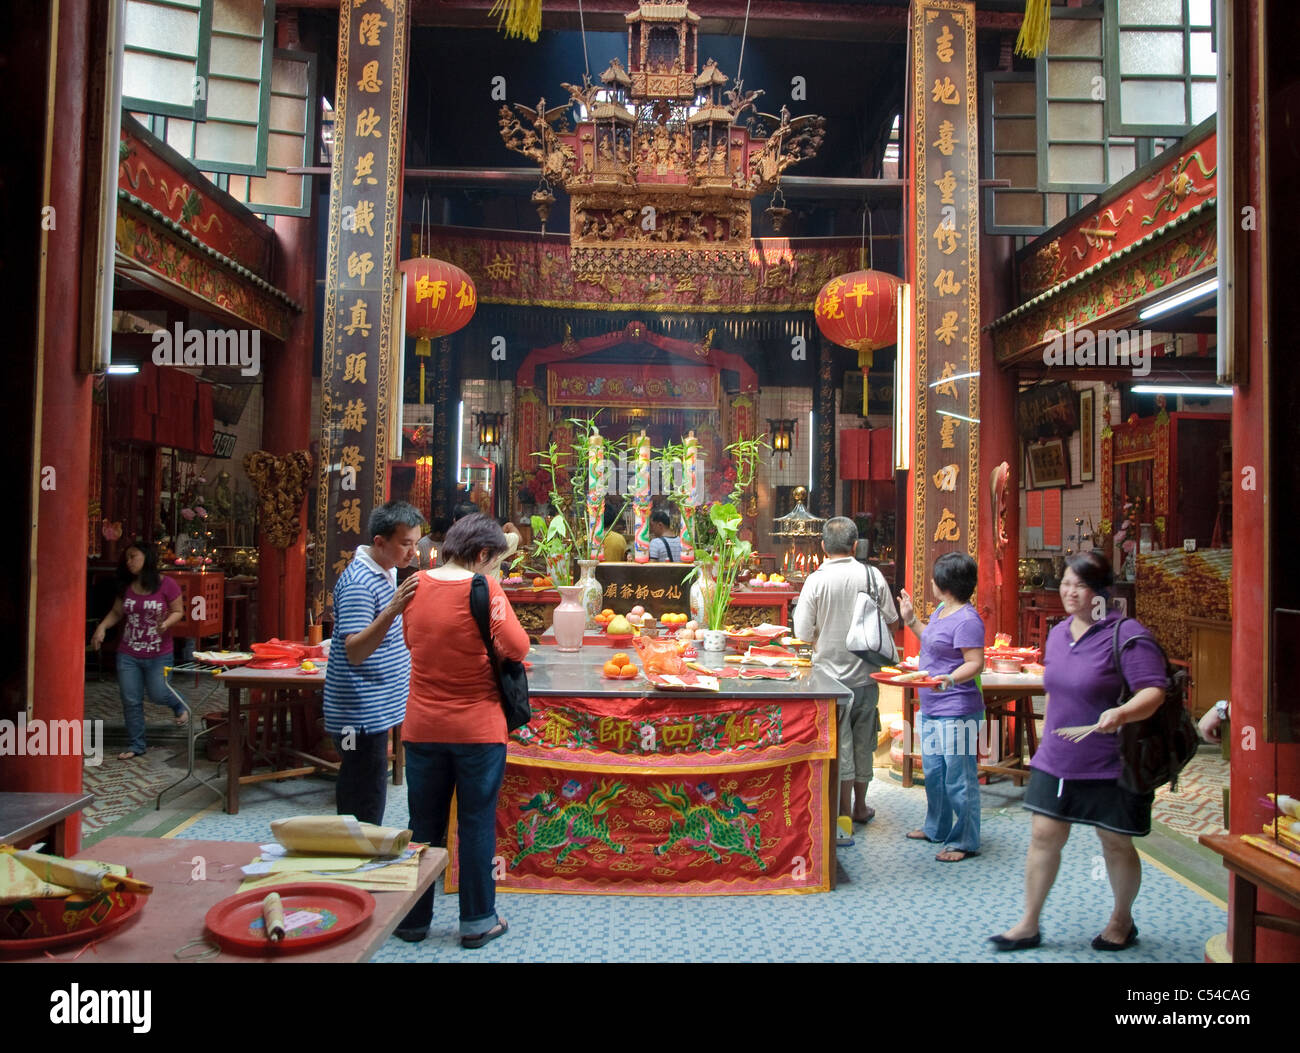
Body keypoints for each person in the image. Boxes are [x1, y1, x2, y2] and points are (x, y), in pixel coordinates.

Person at [991, 551, 1166, 952]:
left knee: (1115, 841)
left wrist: (1120, 713)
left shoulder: (1126, 635)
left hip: (1109, 760)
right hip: (1059, 758)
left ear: (1102, 592)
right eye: (1066, 582)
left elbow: (1154, 691)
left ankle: (1122, 919)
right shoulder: (1058, 633)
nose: (1069, 591)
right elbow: (1054, 693)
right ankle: (1029, 923)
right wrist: (1044, 746)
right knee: (1043, 834)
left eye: (1080, 585)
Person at [396, 513, 530, 949]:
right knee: (475, 824)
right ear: (484, 554)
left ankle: (413, 922)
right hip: (478, 730)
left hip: (422, 727)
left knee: (422, 825)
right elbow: (517, 646)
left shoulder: (416, 586)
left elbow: (411, 642)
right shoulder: (484, 587)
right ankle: (476, 922)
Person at [794, 517, 899, 848]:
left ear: (823, 546)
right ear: (855, 546)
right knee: (863, 741)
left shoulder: (816, 580)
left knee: (839, 747)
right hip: (866, 676)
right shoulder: (872, 575)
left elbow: (801, 634)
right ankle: (859, 807)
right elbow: (891, 624)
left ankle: (839, 816)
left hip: (828, 680)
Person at [323, 501, 423, 826]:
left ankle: (360, 856)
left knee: (371, 784)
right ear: (380, 542)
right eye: (405, 544)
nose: (413, 553)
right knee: (362, 792)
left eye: (416, 543)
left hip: (375, 707)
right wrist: (393, 609)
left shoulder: (384, 570)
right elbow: (354, 650)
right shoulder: (359, 583)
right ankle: (354, 862)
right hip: (358, 713)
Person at [898, 552, 986, 862]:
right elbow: (931, 640)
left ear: (946, 584)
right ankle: (936, 827)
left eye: (936, 578)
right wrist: (910, 620)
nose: (932, 582)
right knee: (934, 771)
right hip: (932, 703)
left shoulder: (967, 619)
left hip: (957, 706)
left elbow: (976, 663)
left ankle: (965, 840)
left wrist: (949, 678)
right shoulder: (941, 611)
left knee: (959, 775)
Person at [90, 541, 187, 760]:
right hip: (128, 653)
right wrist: (102, 628)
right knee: (131, 700)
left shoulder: (166, 584)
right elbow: (117, 612)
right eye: (127, 558)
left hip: (159, 652)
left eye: (133, 556)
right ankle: (136, 744)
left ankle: (179, 704)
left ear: (147, 558)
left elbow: (178, 610)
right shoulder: (125, 586)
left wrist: (166, 623)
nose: (129, 561)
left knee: (158, 692)